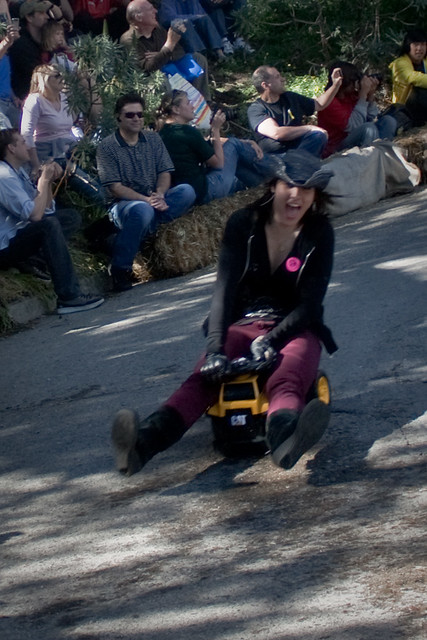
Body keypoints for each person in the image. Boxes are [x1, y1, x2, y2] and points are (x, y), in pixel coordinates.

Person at [110, 149, 338, 476]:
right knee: (201, 381)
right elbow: (224, 291)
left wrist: (272, 341)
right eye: (290, 185)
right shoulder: (242, 224)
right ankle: (140, 445)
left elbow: (310, 304)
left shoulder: (320, 232)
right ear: (274, 185)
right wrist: (215, 350)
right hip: (242, 323)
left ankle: (286, 439)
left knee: (286, 378)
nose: (297, 195)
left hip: (295, 327)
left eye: (307, 189)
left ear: (316, 194)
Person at [96, 92, 196, 292]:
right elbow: (115, 187)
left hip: (153, 197)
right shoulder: (106, 147)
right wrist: (147, 200)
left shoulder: (153, 139)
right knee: (142, 211)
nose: (136, 119)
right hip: (123, 204)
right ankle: (120, 268)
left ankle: (132, 235)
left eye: (140, 115)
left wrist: (159, 194)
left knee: (187, 192)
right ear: (118, 117)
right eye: (130, 115)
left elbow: (165, 172)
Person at [0, 128, 104, 313]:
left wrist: (45, 181)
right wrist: (44, 180)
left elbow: (45, 208)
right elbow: (35, 215)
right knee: (49, 226)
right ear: (11, 149)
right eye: (22, 142)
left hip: (21, 231)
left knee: (70, 217)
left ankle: (36, 258)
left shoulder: (18, 171)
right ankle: (68, 296)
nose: (27, 146)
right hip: (5, 246)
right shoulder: (4, 176)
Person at [158, 89, 275, 204]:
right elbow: (218, 164)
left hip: (187, 193)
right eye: (188, 103)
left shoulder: (162, 133)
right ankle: (276, 168)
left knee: (239, 166)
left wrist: (244, 141)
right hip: (205, 191)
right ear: (175, 109)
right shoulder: (187, 132)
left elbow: (204, 145)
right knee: (234, 144)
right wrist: (216, 129)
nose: (192, 107)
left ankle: (265, 182)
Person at [120, 0, 211, 100]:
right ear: (138, 17)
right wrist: (168, 47)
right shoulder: (129, 40)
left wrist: (163, 54)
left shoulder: (157, 29)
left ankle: (201, 101)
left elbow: (180, 51)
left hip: (169, 66)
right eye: (150, 9)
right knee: (161, 79)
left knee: (198, 59)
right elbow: (148, 68)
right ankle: (176, 107)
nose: (155, 11)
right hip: (150, 79)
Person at [247, 65, 343, 158]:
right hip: (275, 157)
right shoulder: (256, 109)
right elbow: (276, 133)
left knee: (318, 136)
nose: (282, 79)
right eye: (277, 77)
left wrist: (335, 85)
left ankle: (300, 165)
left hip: (299, 150)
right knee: (314, 133)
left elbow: (318, 104)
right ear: (265, 85)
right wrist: (309, 128)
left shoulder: (290, 97)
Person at [317, 61, 397, 158]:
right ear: (345, 81)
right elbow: (355, 126)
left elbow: (371, 117)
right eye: (353, 80)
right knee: (368, 129)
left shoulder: (351, 95)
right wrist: (363, 95)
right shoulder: (330, 102)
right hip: (335, 148)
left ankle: (385, 158)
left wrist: (370, 95)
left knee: (388, 121)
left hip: (355, 139)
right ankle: (370, 163)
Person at [158, 0, 226, 61]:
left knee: (204, 18)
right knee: (184, 23)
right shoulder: (166, 1)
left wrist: (194, 17)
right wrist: (193, 17)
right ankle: (199, 54)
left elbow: (200, 14)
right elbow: (170, 17)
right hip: (173, 28)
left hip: (191, 24)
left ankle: (219, 51)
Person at [389, 29, 427, 127]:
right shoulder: (399, 63)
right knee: (420, 90)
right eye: (415, 45)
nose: (419, 48)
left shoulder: (425, 61)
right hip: (403, 110)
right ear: (408, 46)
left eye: (423, 44)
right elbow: (413, 78)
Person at [0, 21, 21, 127]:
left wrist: (14, 97)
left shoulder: (6, 55)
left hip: (9, 102)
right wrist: (7, 41)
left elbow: (5, 79)